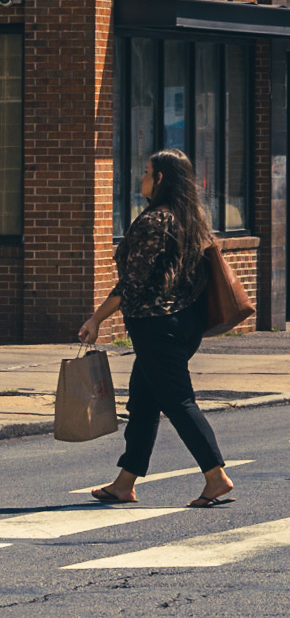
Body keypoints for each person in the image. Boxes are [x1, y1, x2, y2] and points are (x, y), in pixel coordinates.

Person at [79, 148, 235, 510]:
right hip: (182, 324)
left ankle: (215, 476)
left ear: (161, 178)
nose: (142, 178)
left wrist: (96, 319)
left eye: (147, 172)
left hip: (157, 327)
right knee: (144, 402)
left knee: (179, 402)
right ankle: (125, 482)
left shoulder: (155, 221)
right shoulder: (190, 219)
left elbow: (132, 284)